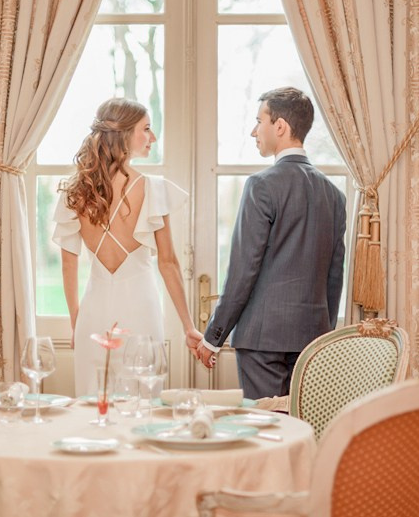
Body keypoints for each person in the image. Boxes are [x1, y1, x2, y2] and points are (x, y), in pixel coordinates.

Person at [197, 87, 347, 399]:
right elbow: (334, 277)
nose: (254, 131)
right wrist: (321, 336)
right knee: (301, 429)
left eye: (259, 121)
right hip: (312, 342)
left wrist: (213, 337)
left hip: (262, 339)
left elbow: (243, 272)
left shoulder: (261, 186)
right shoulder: (334, 196)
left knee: (266, 430)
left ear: (280, 126)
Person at [53, 98, 202, 396]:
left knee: (94, 407)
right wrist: (189, 326)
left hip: (92, 315)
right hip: (140, 309)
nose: (153, 137)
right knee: (141, 404)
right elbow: (168, 263)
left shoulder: (76, 191)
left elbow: (69, 264)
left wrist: (76, 322)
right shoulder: (153, 189)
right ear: (123, 135)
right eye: (146, 129)